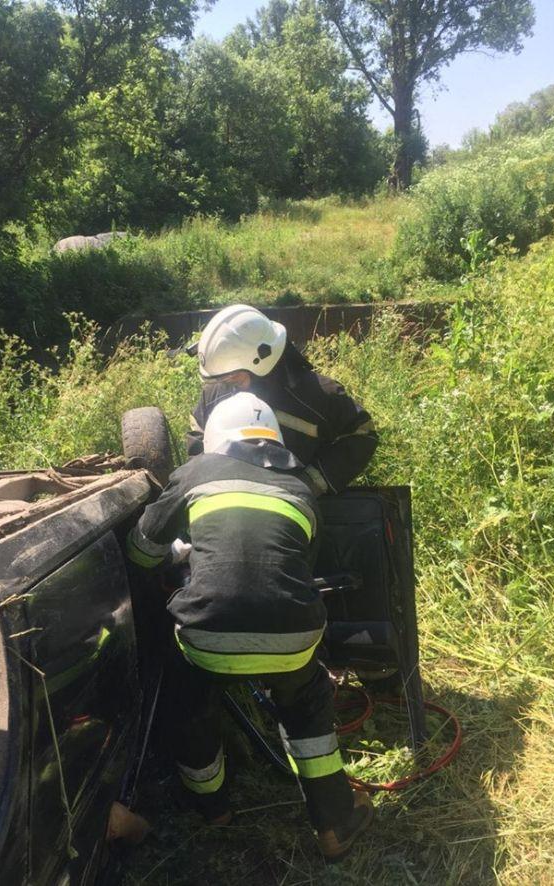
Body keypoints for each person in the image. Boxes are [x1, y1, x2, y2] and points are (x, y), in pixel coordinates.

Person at [126, 392, 374, 861]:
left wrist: (178, 559)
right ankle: (335, 822)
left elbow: (142, 551)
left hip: (208, 638)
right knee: (307, 709)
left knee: (191, 700)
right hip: (296, 638)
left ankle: (213, 808)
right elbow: (292, 571)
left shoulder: (195, 473)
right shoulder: (301, 489)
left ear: (217, 439)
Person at [186, 304, 378, 496]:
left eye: (234, 378)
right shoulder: (215, 393)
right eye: (220, 379)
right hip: (226, 502)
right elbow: (198, 436)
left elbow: (362, 434)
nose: (226, 385)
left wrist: (311, 482)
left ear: (262, 362)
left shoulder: (318, 396)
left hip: (300, 506)